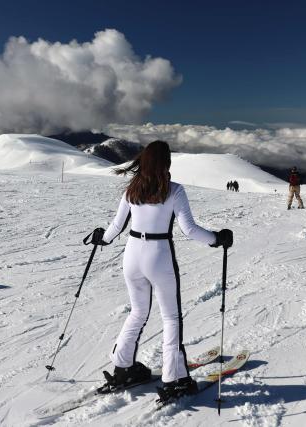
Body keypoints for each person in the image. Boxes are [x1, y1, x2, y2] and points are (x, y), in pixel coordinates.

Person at [90, 140, 233, 402]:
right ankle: (174, 379)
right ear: (166, 163)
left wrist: (103, 238)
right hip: (159, 256)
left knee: (137, 311)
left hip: (132, 256)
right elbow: (189, 230)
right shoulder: (174, 190)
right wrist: (217, 239)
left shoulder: (131, 190)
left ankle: (123, 368)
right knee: (171, 318)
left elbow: (116, 225)